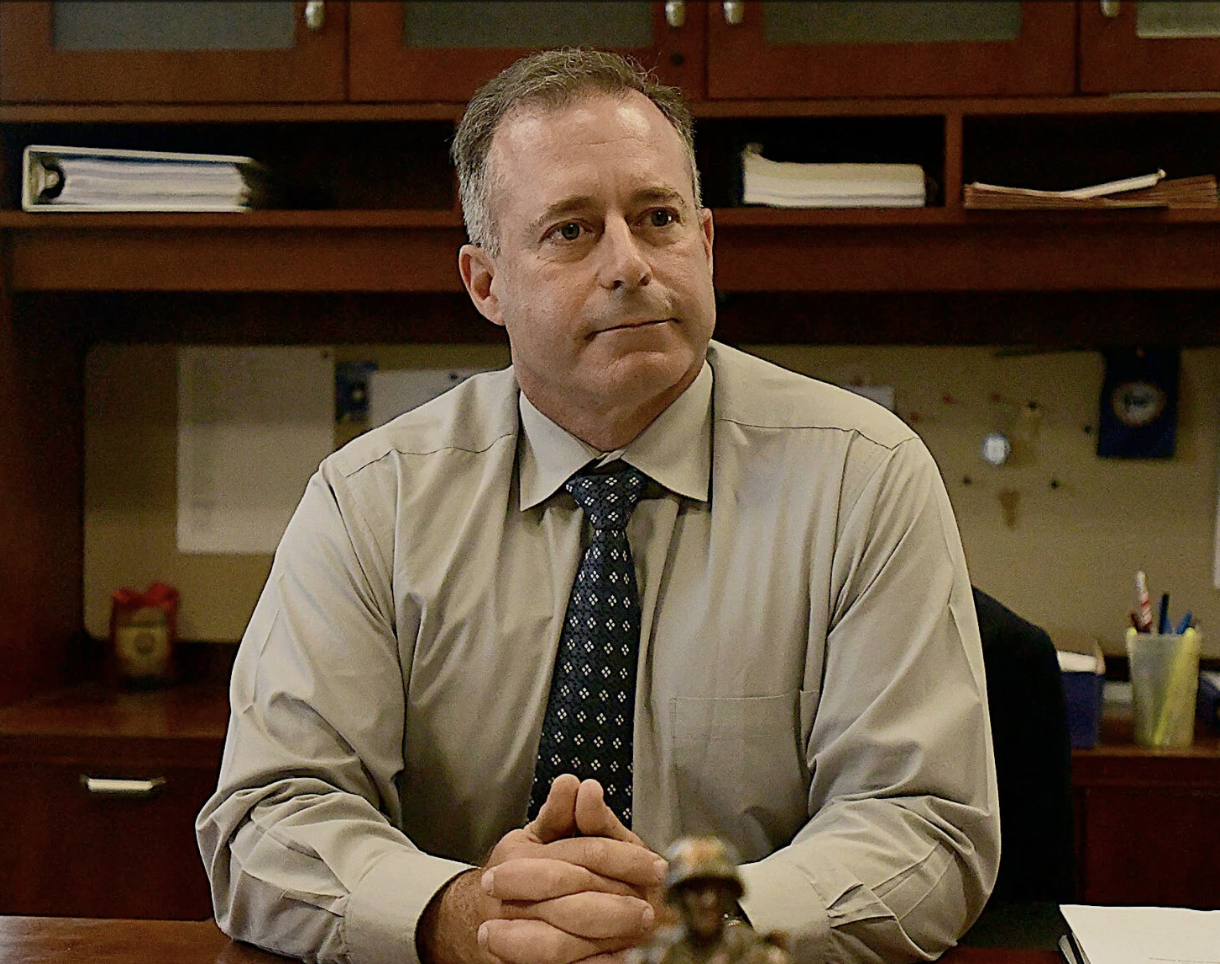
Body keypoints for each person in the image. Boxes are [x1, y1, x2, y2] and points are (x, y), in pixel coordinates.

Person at [197, 47, 999, 964]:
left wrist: (686, 922)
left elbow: (927, 829)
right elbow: (264, 819)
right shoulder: (368, 501)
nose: (629, 265)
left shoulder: (865, 477)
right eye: (572, 231)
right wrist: (463, 916)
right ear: (485, 284)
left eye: (657, 218)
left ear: (704, 243)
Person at [628, 837, 791, 964]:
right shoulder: (654, 957)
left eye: (719, 890)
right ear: (678, 897)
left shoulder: (759, 956)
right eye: (696, 889)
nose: (709, 900)